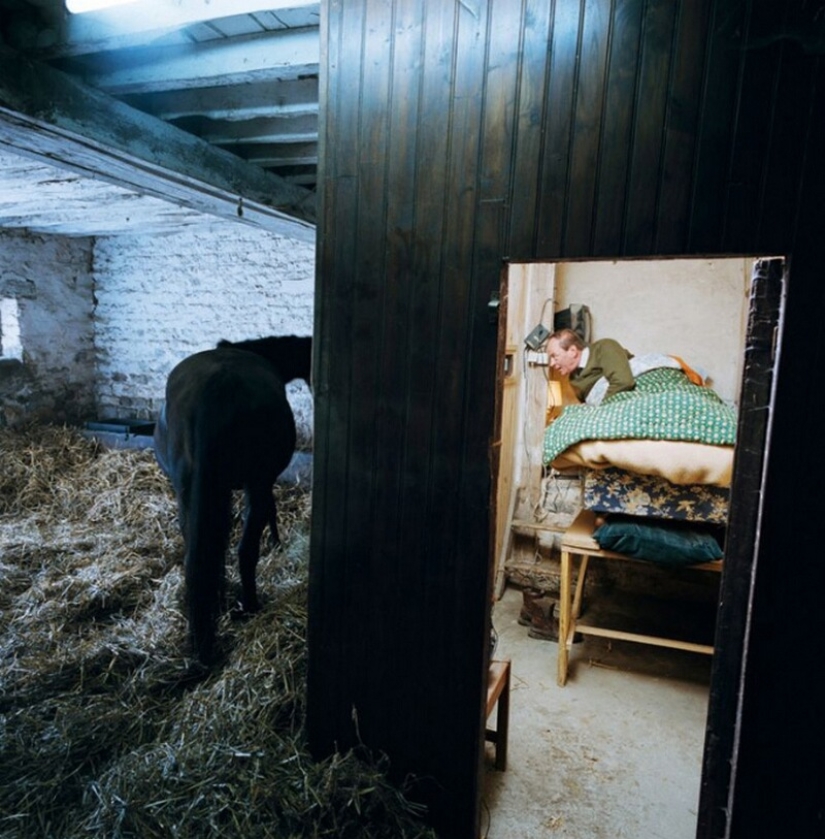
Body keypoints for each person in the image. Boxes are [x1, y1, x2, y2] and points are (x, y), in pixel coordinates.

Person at [546, 328, 635, 403]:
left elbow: (623, 382)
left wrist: (598, 411)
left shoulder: (605, 347)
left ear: (572, 351)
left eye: (554, 356)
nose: (551, 363)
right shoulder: (573, 379)